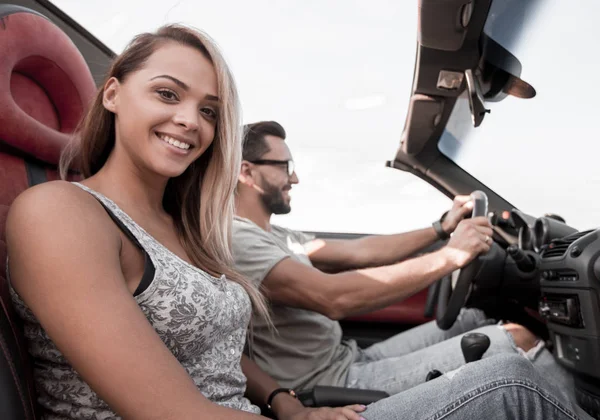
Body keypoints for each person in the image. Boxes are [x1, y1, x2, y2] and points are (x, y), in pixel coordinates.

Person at [5, 25, 591, 420]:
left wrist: (285, 403)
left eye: (209, 111)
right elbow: (173, 413)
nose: (190, 121)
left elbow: (203, 348)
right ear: (112, 94)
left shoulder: (183, 228)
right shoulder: (59, 214)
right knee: (513, 383)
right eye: (167, 94)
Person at [232, 121, 563, 396]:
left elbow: (361, 251)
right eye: (285, 167)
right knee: (519, 340)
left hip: (348, 357)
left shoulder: (279, 236)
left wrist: (440, 228)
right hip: (330, 383)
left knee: (475, 319)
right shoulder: (238, 238)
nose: (295, 179)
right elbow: (334, 298)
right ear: (247, 172)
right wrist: (451, 255)